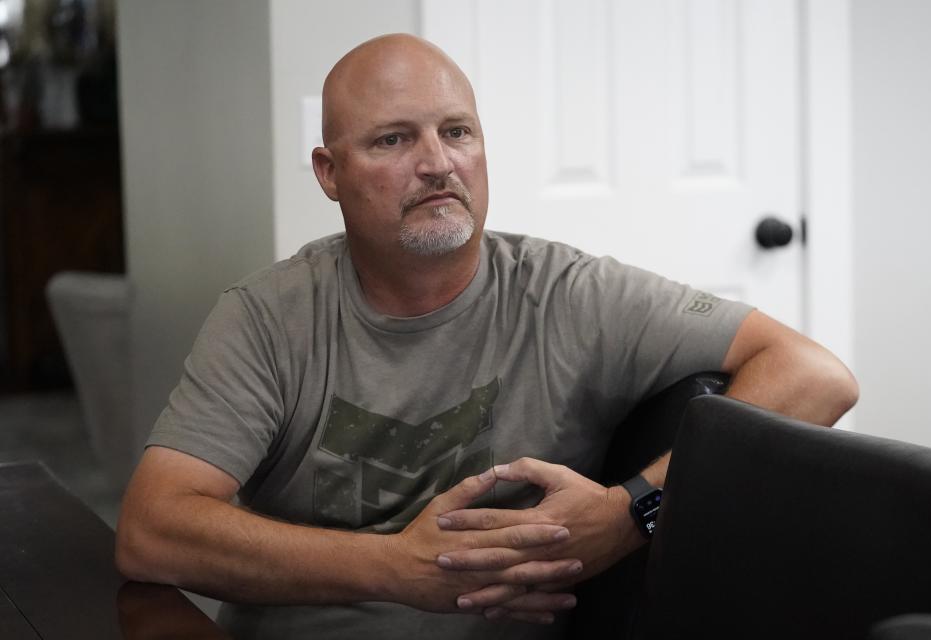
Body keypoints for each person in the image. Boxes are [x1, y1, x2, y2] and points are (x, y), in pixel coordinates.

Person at [115, 33, 858, 639]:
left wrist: (634, 510)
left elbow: (816, 375)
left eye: (457, 131)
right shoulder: (269, 317)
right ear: (329, 172)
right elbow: (153, 531)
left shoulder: (572, 296)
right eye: (393, 140)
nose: (437, 163)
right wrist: (396, 567)